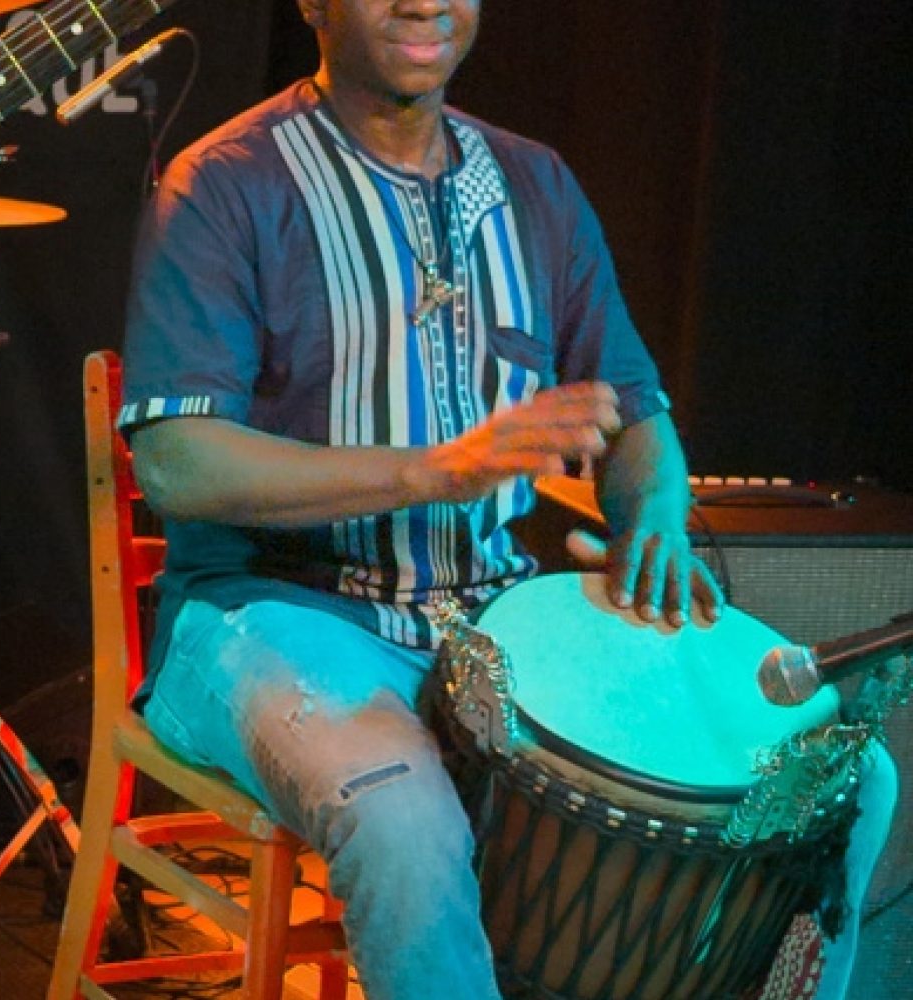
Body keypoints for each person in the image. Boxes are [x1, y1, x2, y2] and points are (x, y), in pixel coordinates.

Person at [116, 1, 895, 997]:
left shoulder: (535, 184)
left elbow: (634, 412)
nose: (423, 3)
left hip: (492, 618)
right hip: (269, 612)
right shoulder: (226, 184)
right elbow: (177, 464)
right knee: (399, 814)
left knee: (839, 775)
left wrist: (652, 518)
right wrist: (434, 468)